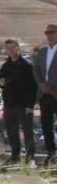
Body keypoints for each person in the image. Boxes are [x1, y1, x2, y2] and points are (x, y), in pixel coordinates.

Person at [0, 39, 37, 165]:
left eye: (13, 47)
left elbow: (33, 87)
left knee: (27, 132)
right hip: (9, 104)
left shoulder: (27, 65)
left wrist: (30, 105)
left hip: (23, 105)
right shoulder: (6, 66)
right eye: (8, 48)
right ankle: (15, 156)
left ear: (18, 48)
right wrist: (0, 82)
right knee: (11, 132)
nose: (11, 50)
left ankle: (30, 157)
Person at [34, 24, 57, 167]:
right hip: (44, 94)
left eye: (52, 32)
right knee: (46, 125)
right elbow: (36, 69)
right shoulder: (42, 52)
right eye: (47, 32)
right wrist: (42, 84)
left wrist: (52, 86)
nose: (49, 35)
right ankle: (51, 153)